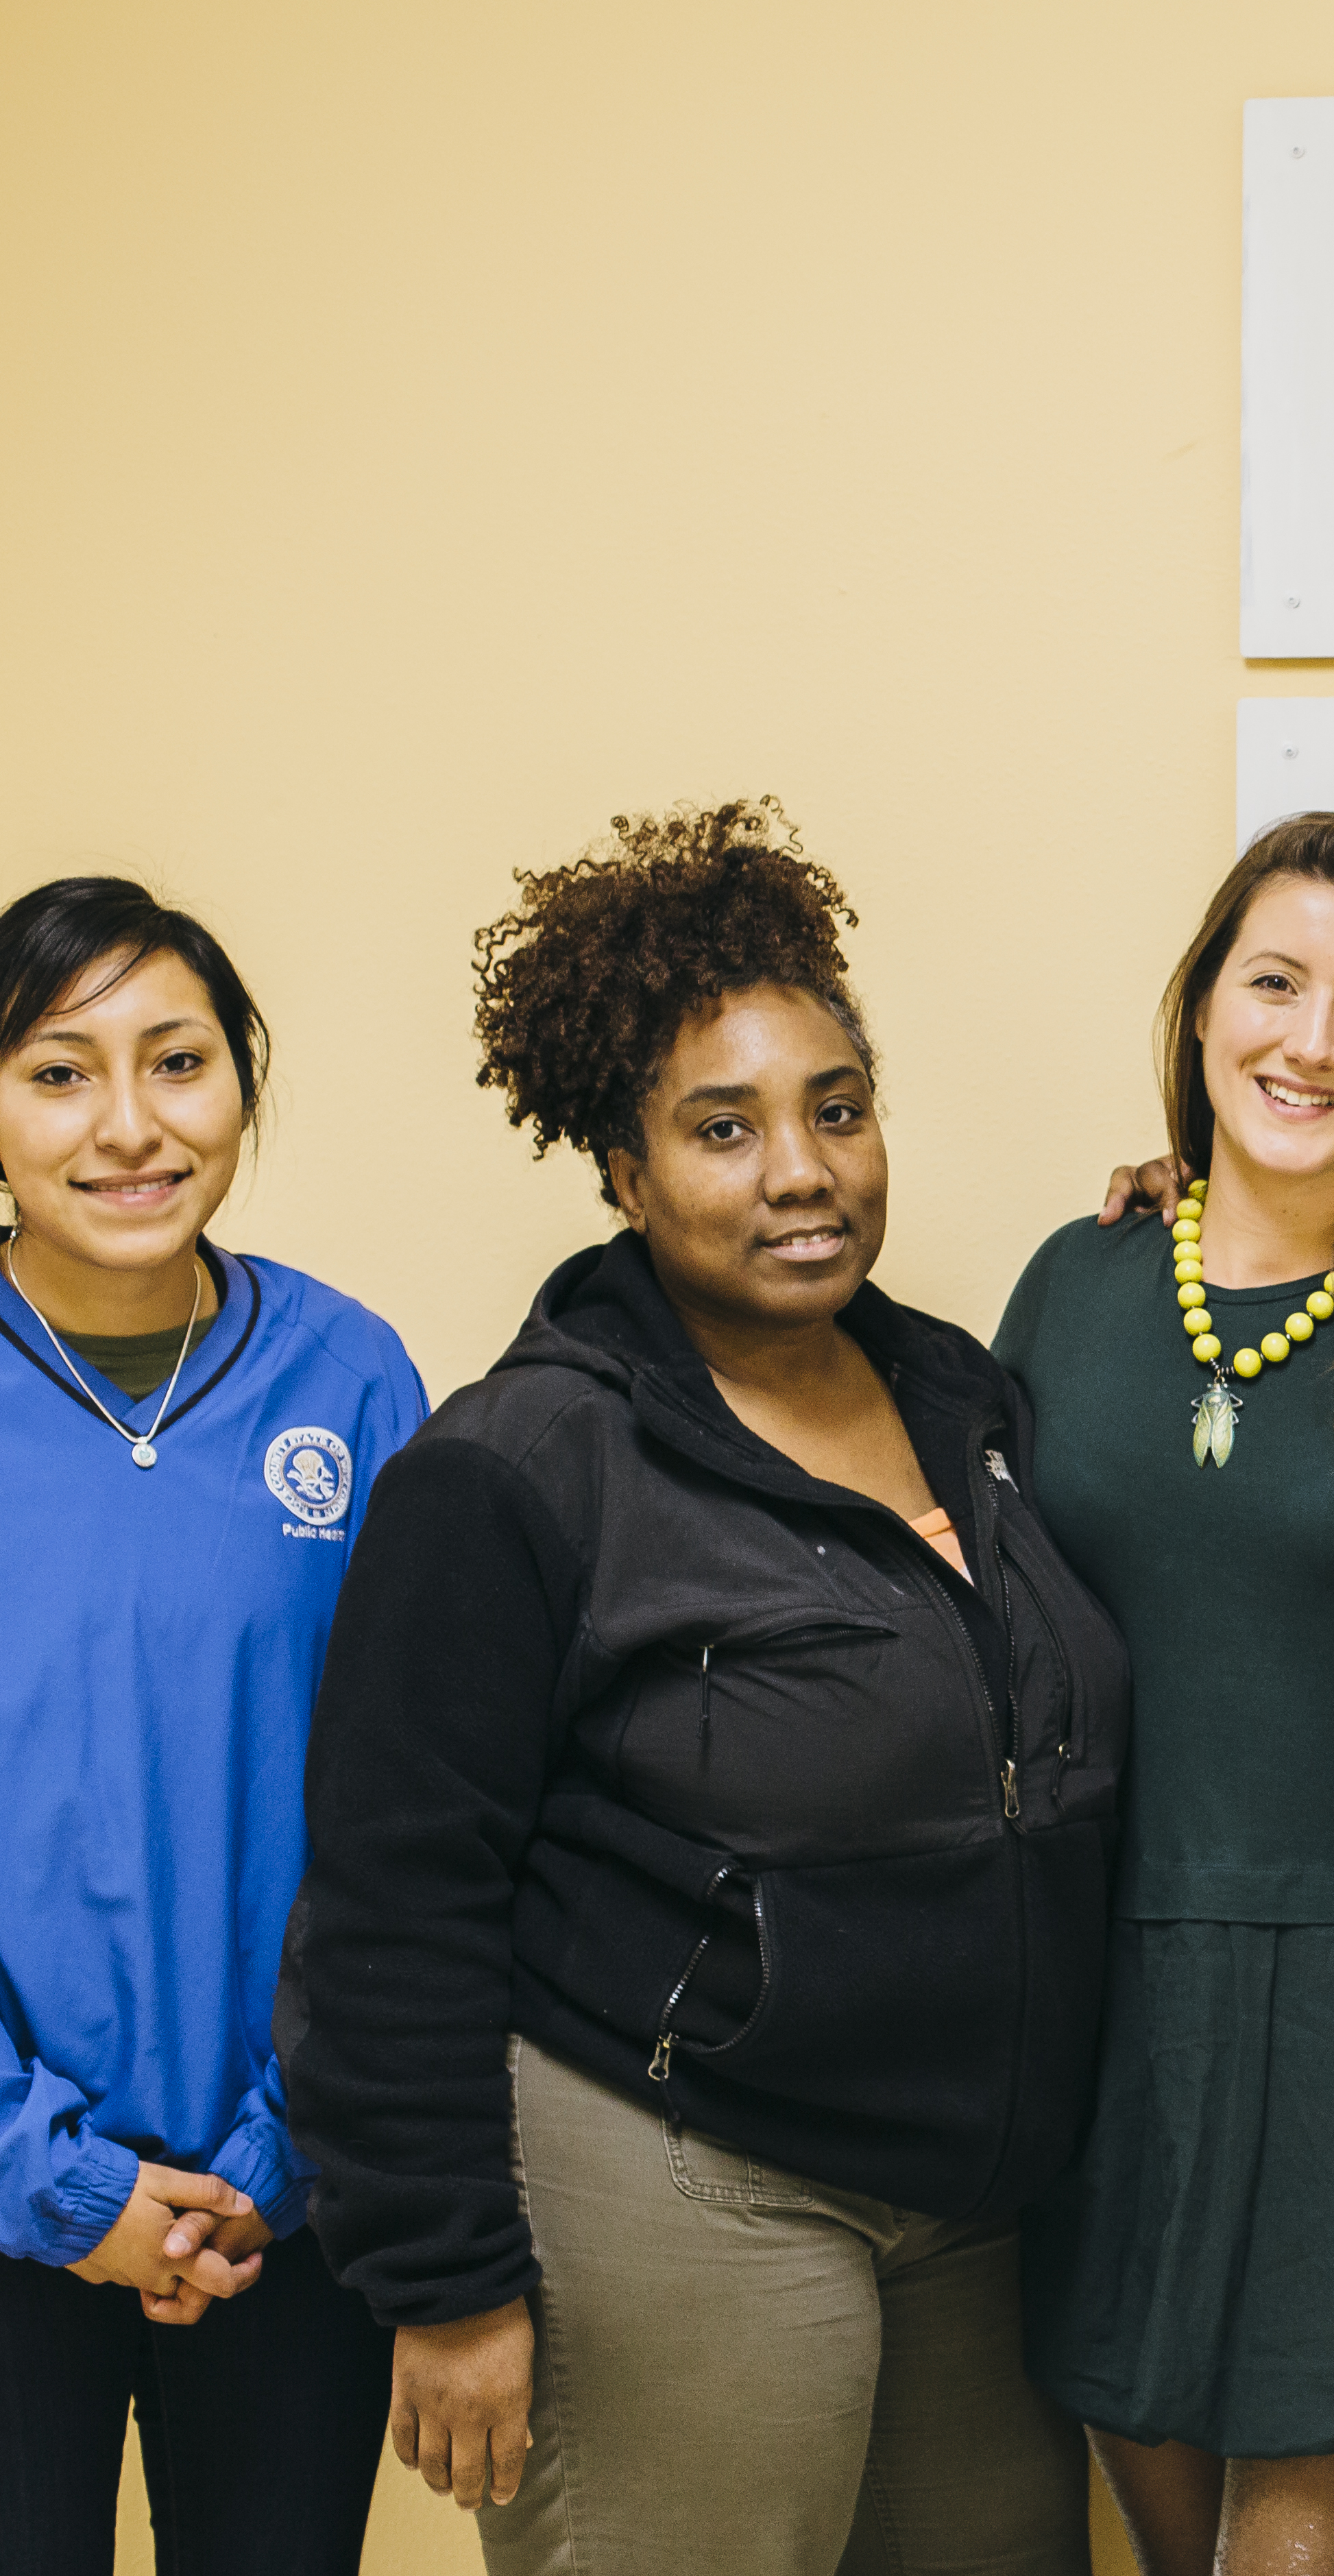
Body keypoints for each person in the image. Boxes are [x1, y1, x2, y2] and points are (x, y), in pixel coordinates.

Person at [283, 801, 1131, 2574]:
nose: (802, 1170)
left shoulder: (964, 1398)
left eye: (837, 1107)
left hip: (973, 2207)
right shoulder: (520, 1465)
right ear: (623, 1170)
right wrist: (442, 2281)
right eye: (723, 1129)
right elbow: (391, 1897)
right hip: (685, 2174)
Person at [0, 878, 423, 2574]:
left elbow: (408, 1807)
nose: (129, 1128)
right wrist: (61, 2192)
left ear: (242, 1082)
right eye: (59, 1073)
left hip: (283, 2192)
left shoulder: (353, 1378)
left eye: (178, 1063)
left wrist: (282, 2141)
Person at [1008, 811, 1334, 2576]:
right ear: (1203, 1009)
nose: (1311, 1042)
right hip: (1102, 2005)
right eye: (1276, 983)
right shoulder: (1078, 1284)